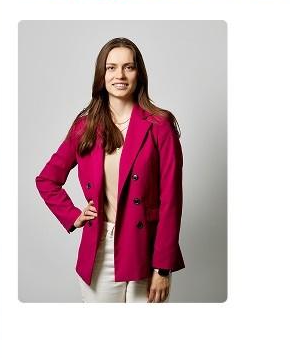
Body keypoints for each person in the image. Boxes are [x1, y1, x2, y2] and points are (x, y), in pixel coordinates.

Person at [36, 37, 184, 303]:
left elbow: (171, 201)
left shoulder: (160, 125)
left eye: (129, 67)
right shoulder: (85, 127)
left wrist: (163, 267)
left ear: (139, 73)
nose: (120, 75)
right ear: (101, 75)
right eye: (111, 67)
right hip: (100, 248)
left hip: (147, 249)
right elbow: (47, 179)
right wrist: (73, 215)